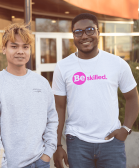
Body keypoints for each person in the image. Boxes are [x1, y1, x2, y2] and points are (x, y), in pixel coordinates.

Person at [52, 13, 139, 168]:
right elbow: (58, 107)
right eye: (78, 32)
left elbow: (132, 97)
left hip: (112, 143)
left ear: (99, 32)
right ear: (73, 36)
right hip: (77, 143)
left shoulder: (117, 63)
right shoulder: (63, 67)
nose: (85, 36)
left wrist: (125, 129)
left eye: (90, 30)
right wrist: (57, 145)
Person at [0, 23, 58, 168]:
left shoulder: (42, 83)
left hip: (41, 161)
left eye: (25, 47)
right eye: (14, 46)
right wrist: (0, 165)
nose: (20, 51)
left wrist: (48, 153)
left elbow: (52, 119)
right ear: (4, 49)